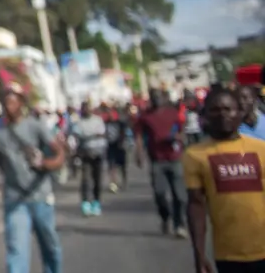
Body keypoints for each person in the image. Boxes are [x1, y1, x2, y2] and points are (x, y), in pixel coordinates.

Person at [0, 84, 66, 273]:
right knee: (16, 251)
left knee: (50, 246)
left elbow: (59, 154)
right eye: (5, 102)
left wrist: (45, 164)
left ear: (21, 103)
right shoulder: (0, 134)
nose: (8, 106)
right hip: (15, 201)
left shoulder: (35, 127)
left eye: (12, 101)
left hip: (40, 197)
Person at [182, 86, 265, 273]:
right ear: (206, 116)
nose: (222, 115)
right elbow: (196, 206)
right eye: (215, 110)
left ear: (239, 113)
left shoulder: (261, 149)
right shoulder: (195, 155)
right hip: (228, 256)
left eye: (228, 109)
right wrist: (199, 254)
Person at [136, 88, 189, 238]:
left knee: (179, 195)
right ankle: (165, 217)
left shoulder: (172, 112)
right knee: (160, 193)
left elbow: (182, 128)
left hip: (174, 157)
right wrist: (139, 153)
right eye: (153, 97)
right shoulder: (145, 116)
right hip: (157, 159)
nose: (156, 99)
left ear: (164, 98)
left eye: (158, 96)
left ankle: (180, 225)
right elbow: (139, 135)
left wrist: (179, 137)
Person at [72, 101, 108, 216]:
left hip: (98, 153)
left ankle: (96, 202)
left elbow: (101, 133)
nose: (86, 110)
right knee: (86, 180)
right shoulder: (79, 123)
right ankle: (86, 202)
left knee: (97, 180)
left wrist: (87, 136)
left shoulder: (98, 120)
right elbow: (77, 135)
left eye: (88, 108)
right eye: (84, 109)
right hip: (85, 154)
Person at [104, 104, 130, 192]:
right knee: (111, 165)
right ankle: (113, 183)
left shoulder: (120, 123)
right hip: (110, 146)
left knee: (122, 165)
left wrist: (122, 142)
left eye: (111, 113)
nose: (110, 115)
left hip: (119, 146)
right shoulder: (106, 123)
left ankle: (124, 181)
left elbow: (124, 133)